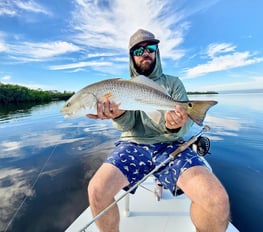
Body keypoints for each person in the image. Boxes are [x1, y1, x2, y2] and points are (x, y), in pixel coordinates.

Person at [87, 29, 230, 232]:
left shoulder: (173, 84)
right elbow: (128, 126)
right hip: (132, 144)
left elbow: (184, 123)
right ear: (131, 57)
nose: (145, 53)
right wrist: (118, 115)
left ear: (157, 52)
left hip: (171, 145)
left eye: (150, 48)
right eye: (138, 51)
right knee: (96, 190)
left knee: (217, 200)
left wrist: (176, 126)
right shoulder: (123, 86)